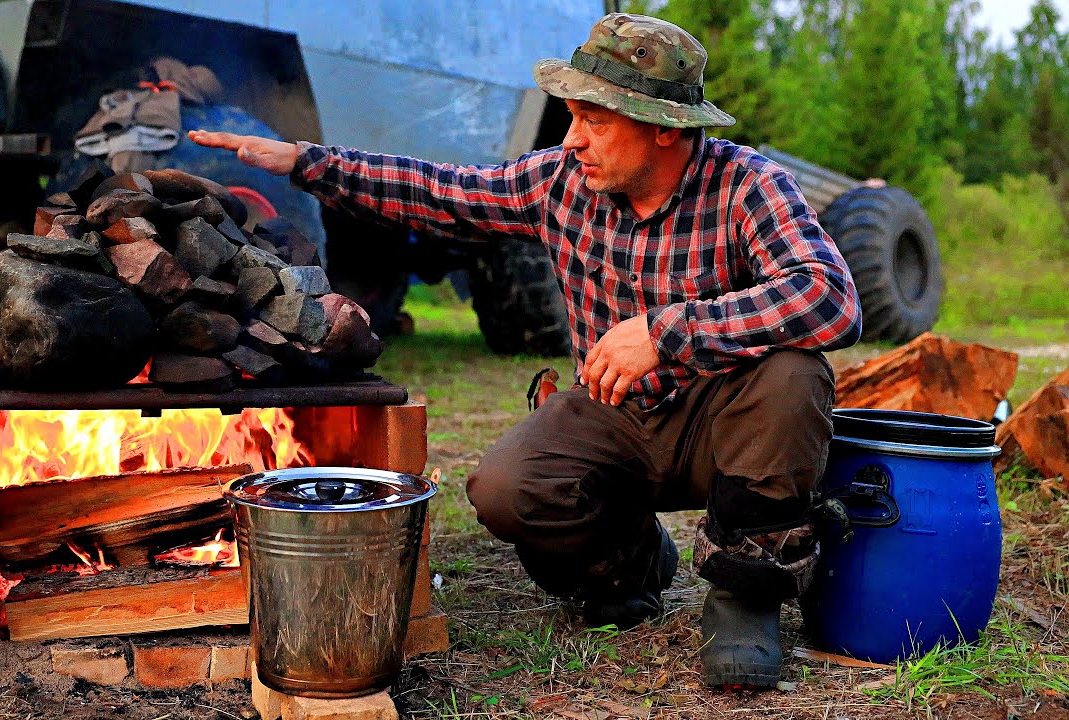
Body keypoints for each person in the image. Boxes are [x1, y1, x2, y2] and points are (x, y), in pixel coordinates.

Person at [189, 13, 862, 689]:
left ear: (665, 126)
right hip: (616, 413)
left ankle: (745, 594)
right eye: (570, 116)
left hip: (726, 421)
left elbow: (829, 298)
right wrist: (308, 163)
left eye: (595, 121)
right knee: (505, 489)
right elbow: (440, 191)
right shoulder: (559, 182)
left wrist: (665, 332)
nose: (572, 140)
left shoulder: (748, 185)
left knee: (793, 372)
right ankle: (627, 564)